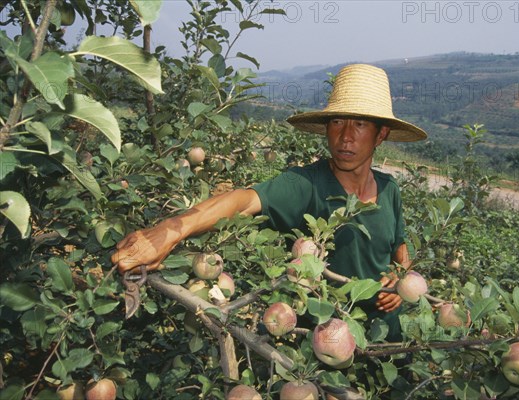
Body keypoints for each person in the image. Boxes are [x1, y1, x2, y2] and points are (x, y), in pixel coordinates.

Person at [112, 63, 427, 340]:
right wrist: (170, 230)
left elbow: (400, 253)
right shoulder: (305, 184)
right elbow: (242, 200)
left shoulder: (389, 189)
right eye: (337, 122)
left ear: (381, 134)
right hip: (324, 346)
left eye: (359, 124)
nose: (344, 136)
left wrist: (399, 280)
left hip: (386, 339)